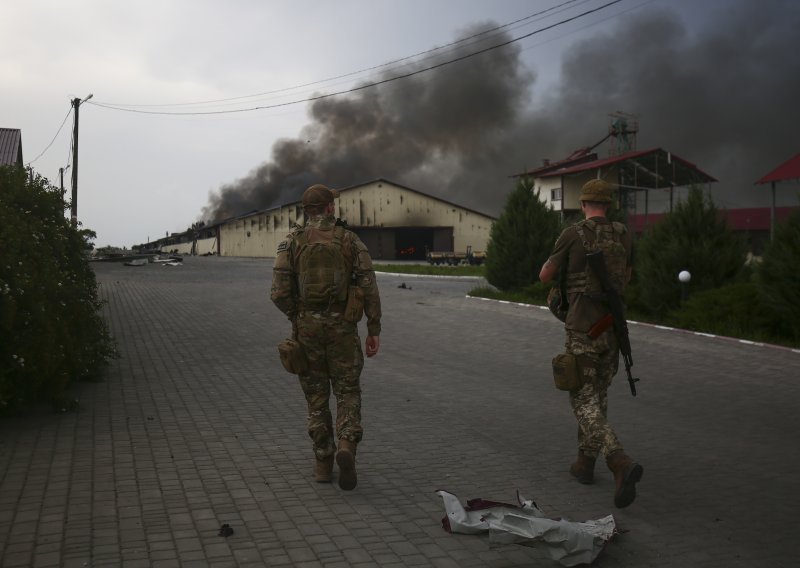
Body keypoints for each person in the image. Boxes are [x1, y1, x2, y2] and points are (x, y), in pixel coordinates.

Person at [539, 179, 643, 508]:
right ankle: (585, 464)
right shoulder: (624, 235)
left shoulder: (573, 234)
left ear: (584, 204)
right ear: (608, 205)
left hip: (583, 330)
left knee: (582, 402)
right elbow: (627, 277)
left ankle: (618, 461)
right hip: (612, 330)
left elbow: (545, 276)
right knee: (597, 394)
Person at [270, 183, 382, 490]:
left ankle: (322, 461)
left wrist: (298, 315)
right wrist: (374, 329)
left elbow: (278, 292)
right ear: (330, 208)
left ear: (306, 211)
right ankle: (347, 445)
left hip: (307, 329)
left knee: (316, 398)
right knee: (347, 391)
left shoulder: (291, 242)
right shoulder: (349, 240)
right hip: (343, 329)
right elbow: (369, 287)